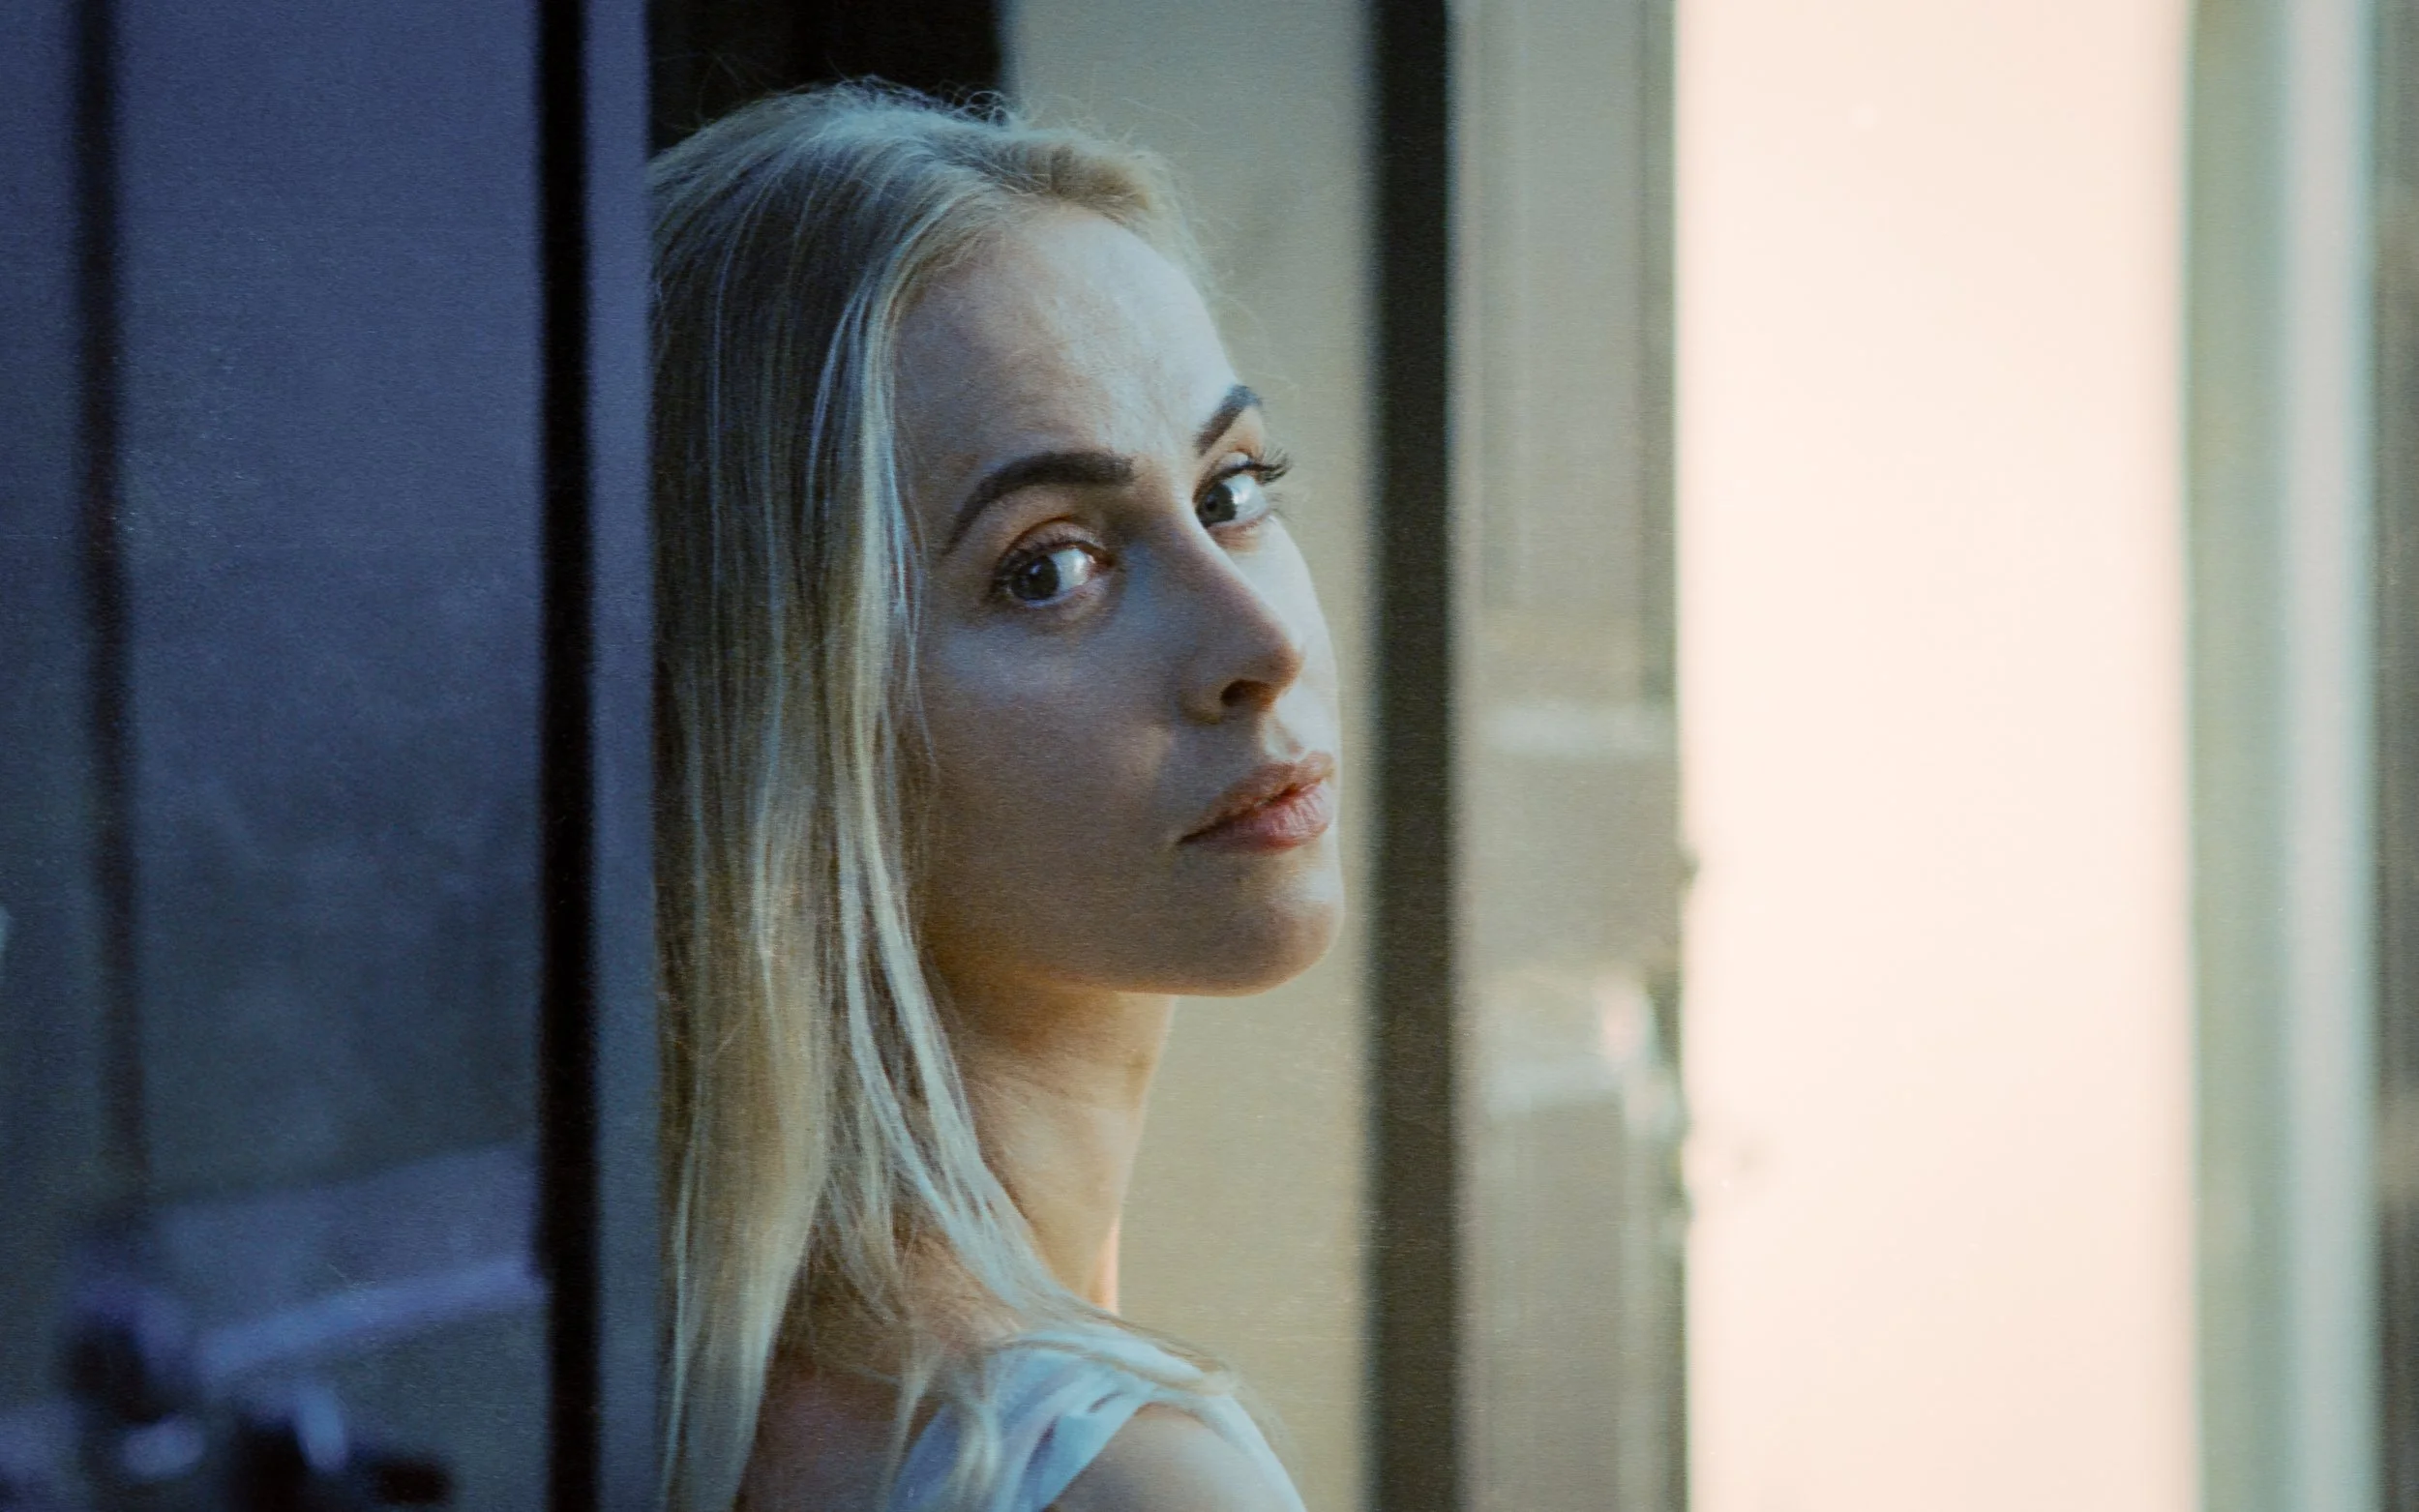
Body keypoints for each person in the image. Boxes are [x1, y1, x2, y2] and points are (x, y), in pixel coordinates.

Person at [650, 85, 1342, 1512]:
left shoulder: (717, 1395)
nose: (1258, 646)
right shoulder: (1117, 1482)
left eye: (1232, 490)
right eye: (1050, 566)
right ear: (782, 711)